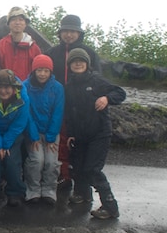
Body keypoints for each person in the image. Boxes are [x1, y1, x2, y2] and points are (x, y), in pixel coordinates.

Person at [64, 48, 126, 219]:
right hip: (79, 134)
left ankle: (110, 206)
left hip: (99, 133)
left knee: (92, 169)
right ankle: (83, 195)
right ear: (70, 65)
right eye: (75, 61)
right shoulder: (69, 85)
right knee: (77, 166)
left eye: (81, 61)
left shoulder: (96, 80)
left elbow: (120, 93)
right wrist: (70, 133)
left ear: (87, 64)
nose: (78, 64)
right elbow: (69, 112)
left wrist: (106, 98)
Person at [46, 14, 102, 185]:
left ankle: (79, 177)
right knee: (61, 138)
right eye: (65, 31)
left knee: (78, 139)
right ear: (60, 33)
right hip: (57, 101)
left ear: (79, 33)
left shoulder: (90, 53)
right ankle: (63, 174)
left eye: (72, 31)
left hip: (82, 103)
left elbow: (98, 78)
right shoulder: (52, 52)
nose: (69, 35)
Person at [0, 69, 34, 207]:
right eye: (0, 87)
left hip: (13, 134)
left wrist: (6, 144)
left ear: (14, 87)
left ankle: (15, 192)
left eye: (7, 87)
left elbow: (20, 123)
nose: (3, 91)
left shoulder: (23, 97)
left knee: (12, 161)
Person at [23, 55, 64, 206]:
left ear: (50, 72)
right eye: (39, 70)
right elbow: (26, 112)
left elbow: (58, 112)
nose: (42, 74)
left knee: (51, 162)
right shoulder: (25, 86)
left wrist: (51, 136)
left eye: (46, 70)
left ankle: (49, 190)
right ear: (34, 70)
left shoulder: (57, 88)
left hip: (51, 133)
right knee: (37, 160)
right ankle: (33, 189)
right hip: (33, 132)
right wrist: (33, 135)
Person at [0, 6, 41, 82]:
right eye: (13, 20)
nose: (17, 23)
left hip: (27, 91)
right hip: (4, 91)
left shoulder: (34, 49)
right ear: (8, 23)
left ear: (25, 23)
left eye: (21, 20)